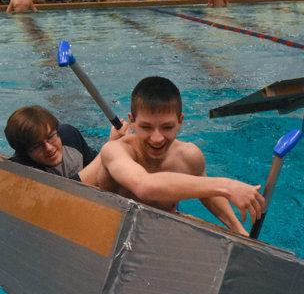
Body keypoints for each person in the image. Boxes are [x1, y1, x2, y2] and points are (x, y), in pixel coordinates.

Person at [96, 77, 265, 235]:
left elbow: (207, 193)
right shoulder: (116, 151)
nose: (157, 139)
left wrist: (238, 229)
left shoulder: (188, 156)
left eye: (167, 127)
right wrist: (228, 186)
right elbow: (144, 186)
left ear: (180, 121)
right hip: (108, 229)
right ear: (132, 121)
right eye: (146, 127)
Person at [5, 105, 126, 185]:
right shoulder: (20, 169)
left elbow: (98, 166)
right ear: (24, 151)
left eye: (51, 137)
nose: (49, 148)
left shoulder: (69, 136)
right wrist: (110, 147)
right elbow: (67, 191)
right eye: (37, 146)